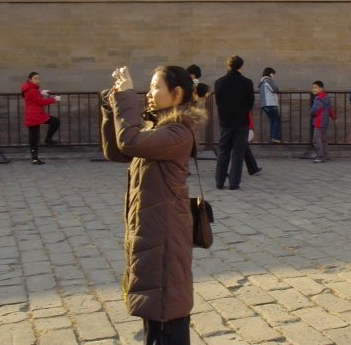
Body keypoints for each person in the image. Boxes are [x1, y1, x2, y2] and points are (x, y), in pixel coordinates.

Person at [100, 65, 206, 345]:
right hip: (152, 233)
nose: (148, 94)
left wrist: (125, 98)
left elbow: (129, 141)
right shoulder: (157, 128)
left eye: (155, 87)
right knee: (155, 315)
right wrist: (112, 108)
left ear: (177, 93)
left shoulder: (177, 132)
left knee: (166, 314)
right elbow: (117, 150)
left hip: (164, 238)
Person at [213, 55, 255, 189]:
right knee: (238, 152)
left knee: (223, 150)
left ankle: (219, 181)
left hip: (225, 121)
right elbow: (251, 102)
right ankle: (233, 183)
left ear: (228, 66)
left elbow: (218, 101)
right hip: (241, 121)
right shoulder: (247, 82)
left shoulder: (219, 82)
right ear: (241, 67)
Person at [21, 72, 61, 165]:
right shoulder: (32, 90)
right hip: (34, 115)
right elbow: (40, 102)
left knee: (54, 122)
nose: (38, 80)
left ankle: (47, 140)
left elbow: (35, 98)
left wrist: (41, 92)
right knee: (34, 137)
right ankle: (35, 158)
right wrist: (54, 99)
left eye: (38, 78)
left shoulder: (31, 89)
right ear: (30, 79)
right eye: (35, 78)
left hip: (37, 114)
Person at [310, 80, 335, 163]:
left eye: (315, 88)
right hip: (325, 122)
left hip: (318, 122)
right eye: (313, 88)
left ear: (321, 88)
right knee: (323, 140)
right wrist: (334, 117)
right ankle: (326, 155)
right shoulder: (326, 97)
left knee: (316, 140)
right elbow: (330, 109)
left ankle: (320, 157)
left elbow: (314, 110)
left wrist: (311, 113)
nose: (313, 89)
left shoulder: (318, 99)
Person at [259, 67, 282, 143]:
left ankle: (273, 137)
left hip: (264, 105)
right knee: (276, 119)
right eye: (273, 74)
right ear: (270, 74)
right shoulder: (267, 80)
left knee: (273, 120)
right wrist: (279, 88)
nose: (274, 76)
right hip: (270, 104)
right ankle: (275, 137)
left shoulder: (262, 82)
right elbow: (275, 89)